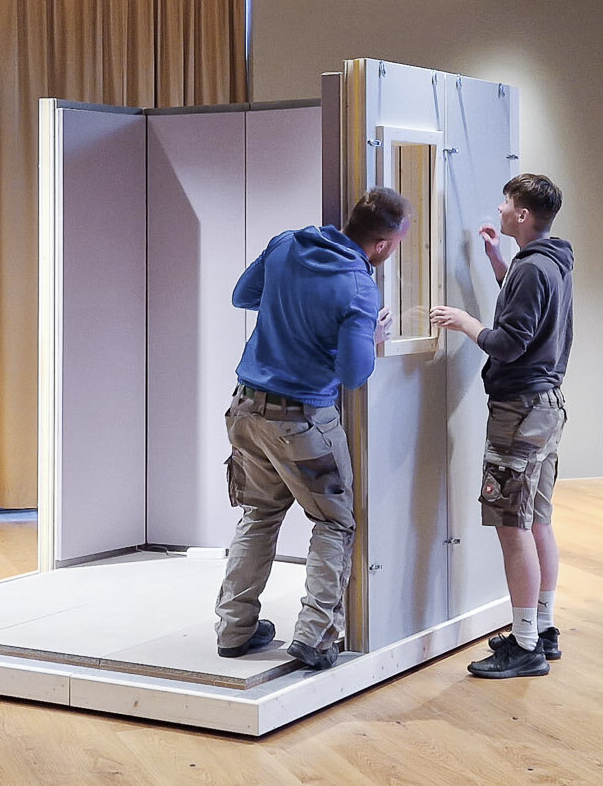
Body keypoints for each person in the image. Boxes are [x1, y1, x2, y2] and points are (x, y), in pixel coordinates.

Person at [215, 186, 412, 670]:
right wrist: (371, 335)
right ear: (383, 245)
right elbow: (354, 374)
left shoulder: (288, 243)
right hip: (302, 421)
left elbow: (243, 296)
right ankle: (316, 635)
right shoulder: (359, 288)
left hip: (245, 409)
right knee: (334, 522)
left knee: (259, 515)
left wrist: (291, 307)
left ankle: (234, 628)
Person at [429, 172, 573, 678]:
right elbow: (527, 309)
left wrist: (466, 323)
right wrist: (496, 261)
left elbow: (509, 343)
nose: (501, 208)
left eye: (507, 203)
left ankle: (526, 643)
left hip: (520, 411)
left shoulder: (532, 269)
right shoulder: (549, 261)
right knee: (536, 520)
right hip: (545, 407)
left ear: (523, 214)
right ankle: (543, 628)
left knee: (513, 525)